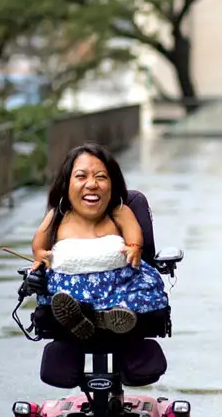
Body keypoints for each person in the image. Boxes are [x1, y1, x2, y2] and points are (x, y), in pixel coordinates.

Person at [30, 143, 169, 341]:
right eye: (81, 176)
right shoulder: (58, 215)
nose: (92, 184)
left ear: (112, 183)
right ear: (66, 183)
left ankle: (99, 318)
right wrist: (39, 254)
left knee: (144, 291)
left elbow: (134, 231)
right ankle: (82, 317)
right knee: (58, 300)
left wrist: (134, 247)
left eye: (101, 177)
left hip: (118, 287)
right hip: (71, 291)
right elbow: (39, 240)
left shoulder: (119, 211)